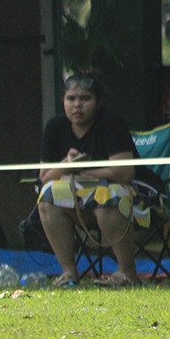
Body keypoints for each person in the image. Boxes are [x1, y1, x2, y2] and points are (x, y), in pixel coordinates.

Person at [38, 70, 162, 287]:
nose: (77, 105)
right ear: (63, 101)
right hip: (83, 199)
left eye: (85, 99)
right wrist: (66, 164)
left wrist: (83, 171)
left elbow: (124, 174)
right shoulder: (55, 127)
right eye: (71, 98)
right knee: (47, 196)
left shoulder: (111, 122)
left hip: (138, 197)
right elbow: (44, 177)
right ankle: (68, 273)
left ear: (98, 102)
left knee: (107, 196)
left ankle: (126, 273)